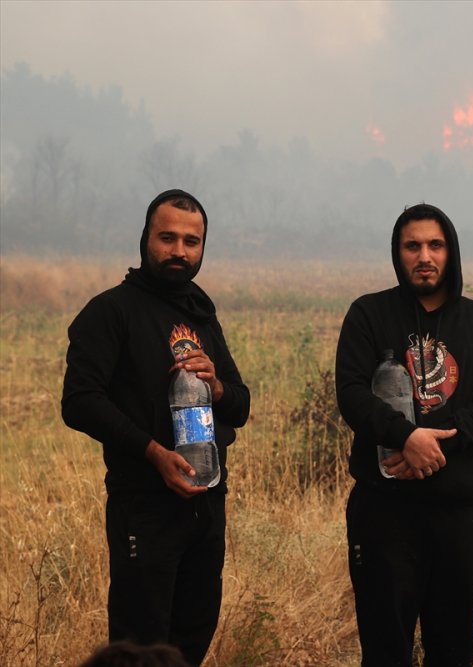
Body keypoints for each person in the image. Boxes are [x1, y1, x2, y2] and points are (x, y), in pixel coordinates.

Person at [62, 190, 251, 666]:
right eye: (167, 238)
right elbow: (79, 402)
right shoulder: (111, 311)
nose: (180, 251)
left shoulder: (201, 313)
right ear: (145, 238)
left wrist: (218, 387)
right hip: (144, 504)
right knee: (140, 647)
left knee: (193, 635)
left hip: (206, 504)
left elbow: (241, 405)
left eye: (192, 241)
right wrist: (151, 452)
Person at [335, 203, 473, 666]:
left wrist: (435, 444)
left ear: (451, 252)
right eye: (412, 245)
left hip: (461, 516)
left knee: (453, 649)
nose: (424, 256)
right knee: (384, 650)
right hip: (385, 514)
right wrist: (404, 437)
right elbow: (352, 393)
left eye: (435, 245)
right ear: (397, 254)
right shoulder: (368, 314)